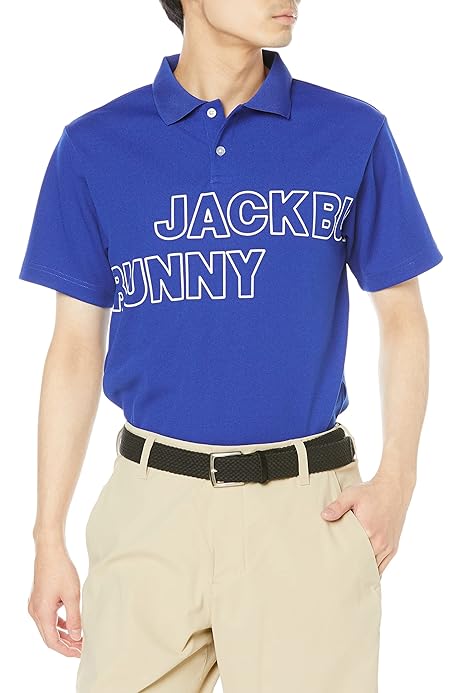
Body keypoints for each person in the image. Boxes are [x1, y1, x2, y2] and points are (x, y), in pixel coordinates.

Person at [20, 1, 443, 691]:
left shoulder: (352, 132)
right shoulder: (93, 147)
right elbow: (73, 348)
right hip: (148, 513)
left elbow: (402, 316)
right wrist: (47, 536)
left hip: (306, 514)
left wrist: (399, 478)